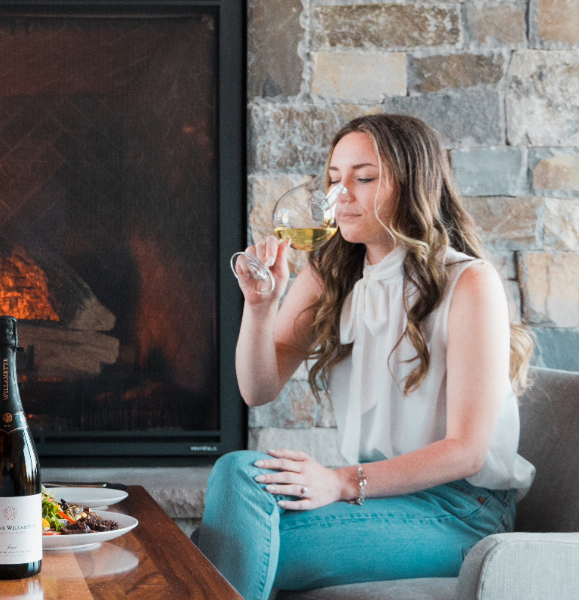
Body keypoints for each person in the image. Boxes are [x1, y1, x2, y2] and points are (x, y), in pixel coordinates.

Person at [195, 114, 536, 598]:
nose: (341, 195)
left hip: (461, 511)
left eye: (365, 178)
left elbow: (467, 449)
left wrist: (337, 482)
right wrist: (260, 308)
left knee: (210, 552)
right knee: (235, 473)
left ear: (412, 183)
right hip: (379, 500)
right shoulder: (329, 272)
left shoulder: (469, 283)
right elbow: (258, 389)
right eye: (334, 179)